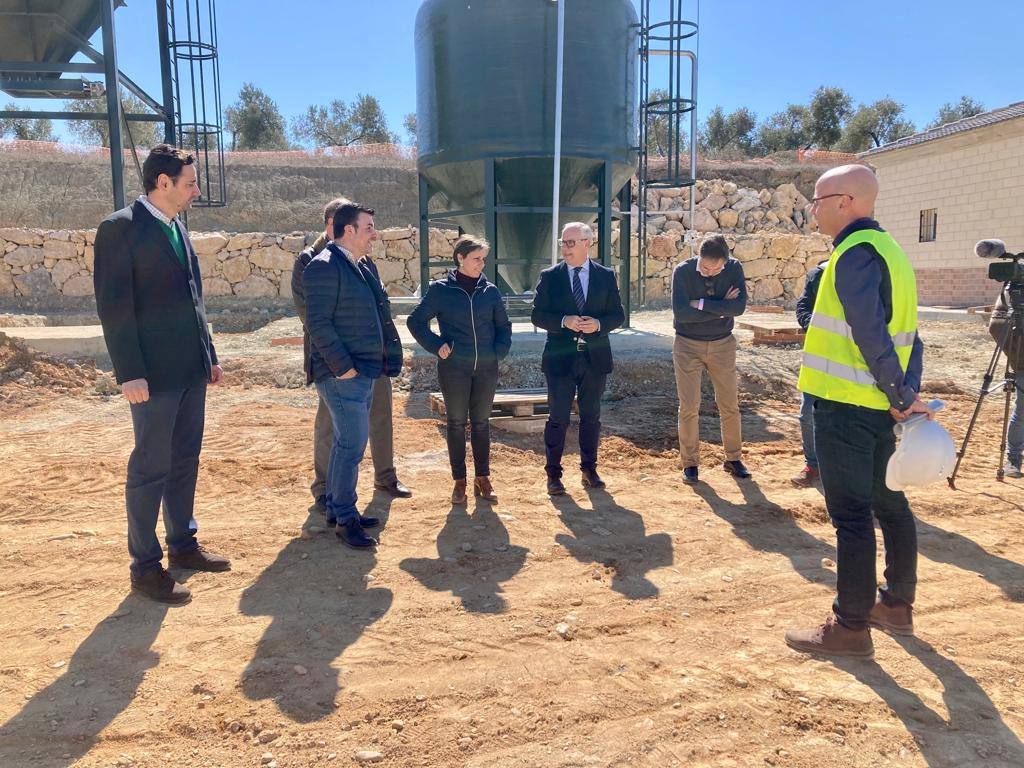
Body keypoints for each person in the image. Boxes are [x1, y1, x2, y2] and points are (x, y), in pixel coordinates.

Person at [786, 164, 929, 659]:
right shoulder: (893, 253)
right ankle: (896, 605)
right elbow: (911, 335)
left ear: (847, 202)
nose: (814, 209)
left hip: (847, 408)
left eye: (820, 200)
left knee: (850, 516)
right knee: (889, 504)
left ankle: (850, 628)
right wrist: (905, 392)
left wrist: (897, 393)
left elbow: (871, 333)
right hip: (875, 408)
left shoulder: (853, 254)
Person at [93, 144, 229, 605]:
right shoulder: (120, 229)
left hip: (190, 369)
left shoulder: (178, 228)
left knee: (184, 460)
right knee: (151, 467)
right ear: (163, 182)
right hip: (151, 376)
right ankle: (145, 567)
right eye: (190, 183)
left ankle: (183, 545)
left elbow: (194, 299)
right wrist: (128, 372)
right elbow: (115, 306)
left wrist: (208, 353)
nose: (196, 190)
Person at [291, 199, 411, 519]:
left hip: (370, 362)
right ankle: (330, 496)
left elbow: (377, 309)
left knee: (369, 424)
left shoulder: (362, 262)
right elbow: (316, 320)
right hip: (339, 367)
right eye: (368, 228)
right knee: (341, 437)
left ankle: (375, 484)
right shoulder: (315, 261)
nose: (374, 234)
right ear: (338, 225)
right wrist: (343, 366)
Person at [407, 236, 512, 503]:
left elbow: (504, 326)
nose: (482, 263)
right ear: (460, 258)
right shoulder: (441, 290)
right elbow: (415, 321)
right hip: (454, 370)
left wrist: (497, 354)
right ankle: (459, 481)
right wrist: (436, 345)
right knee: (455, 424)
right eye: (477, 258)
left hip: (486, 369)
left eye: (483, 258)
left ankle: (483, 478)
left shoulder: (490, 291)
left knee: (481, 424)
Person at [531, 222, 624, 495]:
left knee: (591, 416)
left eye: (571, 243)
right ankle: (553, 475)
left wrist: (598, 324)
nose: (566, 248)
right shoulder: (550, 276)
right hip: (560, 360)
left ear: (587, 243)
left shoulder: (606, 276)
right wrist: (563, 321)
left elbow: (617, 314)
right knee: (558, 417)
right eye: (563, 242)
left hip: (594, 358)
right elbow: (537, 315)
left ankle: (589, 469)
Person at [670, 234, 750, 484]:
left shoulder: (734, 268)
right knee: (689, 406)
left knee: (729, 405)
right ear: (698, 257)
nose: (710, 272)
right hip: (687, 345)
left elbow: (738, 308)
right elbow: (682, 314)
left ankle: (734, 458)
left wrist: (702, 304)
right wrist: (719, 307)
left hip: (723, 345)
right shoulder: (682, 272)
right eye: (705, 267)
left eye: (716, 269)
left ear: (725, 262)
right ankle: (690, 463)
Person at [791, 256, 828, 487]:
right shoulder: (819, 275)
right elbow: (802, 307)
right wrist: (815, 326)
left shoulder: (862, 274)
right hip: (817, 357)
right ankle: (813, 465)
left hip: (851, 363)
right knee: (807, 414)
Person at [988, 285, 1024, 478]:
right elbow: (996, 327)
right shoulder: (1015, 287)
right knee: (1022, 412)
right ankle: (1013, 459)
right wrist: (1018, 358)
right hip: (1023, 363)